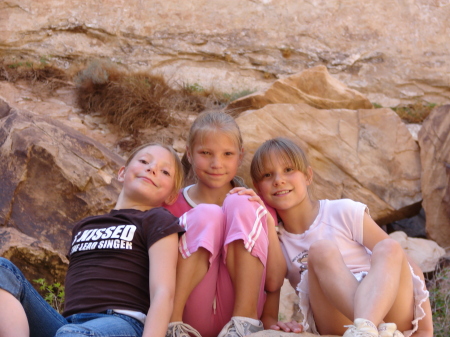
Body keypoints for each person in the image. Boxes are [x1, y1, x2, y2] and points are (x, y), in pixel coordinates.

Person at [233, 137, 433, 337]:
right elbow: (271, 296)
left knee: (389, 247)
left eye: (288, 170)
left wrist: (424, 330)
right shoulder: (277, 241)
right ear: (258, 189)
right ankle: (369, 327)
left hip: (388, 304)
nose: (278, 180)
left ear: (308, 176)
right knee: (321, 250)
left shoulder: (343, 211)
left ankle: (367, 329)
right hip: (336, 319)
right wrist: (267, 223)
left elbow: (409, 266)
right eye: (268, 175)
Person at [0, 142, 186, 337]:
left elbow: (163, 292)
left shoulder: (158, 220)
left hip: (121, 322)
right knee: (3, 270)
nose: (152, 168)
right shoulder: (85, 225)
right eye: (144, 161)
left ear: (172, 196)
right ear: (122, 173)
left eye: (165, 171)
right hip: (66, 324)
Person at [163, 111, 287, 337]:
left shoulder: (254, 204)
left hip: (239, 313)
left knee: (240, 201)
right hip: (190, 314)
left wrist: (267, 221)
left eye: (227, 154)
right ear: (189, 154)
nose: (216, 163)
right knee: (206, 215)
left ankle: (244, 324)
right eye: (206, 153)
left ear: (240, 156)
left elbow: (274, 281)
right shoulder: (171, 205)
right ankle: (173, 326)